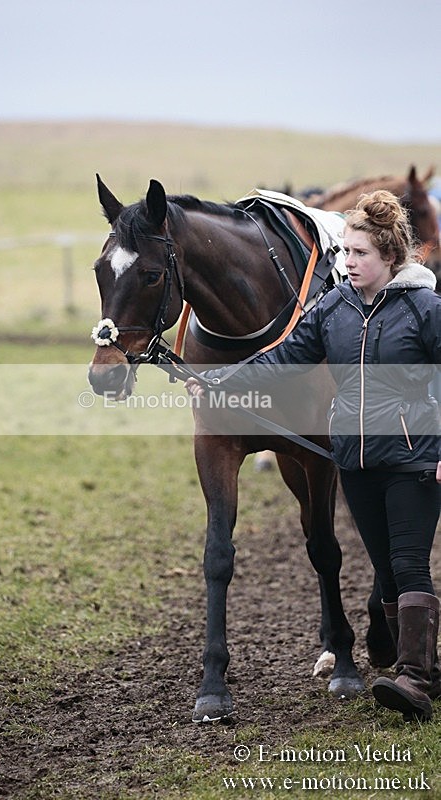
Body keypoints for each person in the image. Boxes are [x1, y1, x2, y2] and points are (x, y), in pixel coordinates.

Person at [186, 190, 441, 721]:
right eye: (344, 253)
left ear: (390, 258)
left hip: (414, 457)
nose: (347, 263)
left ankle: (416, 679)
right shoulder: (332, 308)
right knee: (385, 568)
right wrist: (221, 383)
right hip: (357, 461)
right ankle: (419, 665)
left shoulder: (426, 308)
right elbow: (284, 356)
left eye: (359, 255)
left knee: (409, 561)